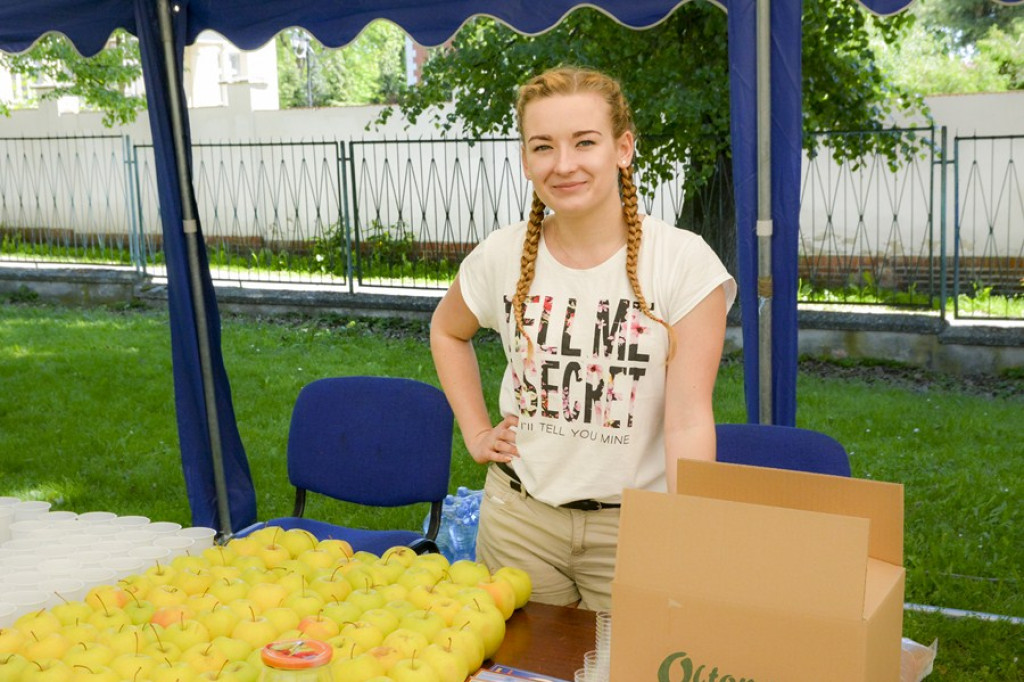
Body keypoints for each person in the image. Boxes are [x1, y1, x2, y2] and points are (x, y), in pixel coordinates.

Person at [430, 66, 736, 610]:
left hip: (635, 531)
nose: (564, 163)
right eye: (543, 146)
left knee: (631, 657)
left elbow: (688, 421)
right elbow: (447, 330)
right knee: (523, 658)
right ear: (526, 160)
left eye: (585, 142)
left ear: (623, 149)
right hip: (518, 524)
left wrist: (688, 531)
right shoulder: (500, 254)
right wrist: (476, 432)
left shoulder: (685, 264)